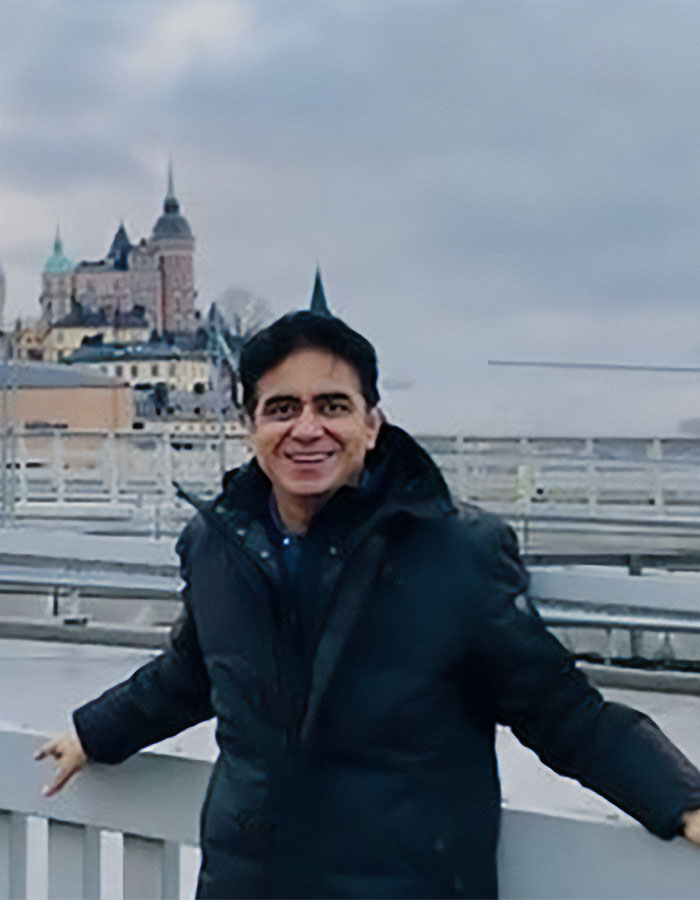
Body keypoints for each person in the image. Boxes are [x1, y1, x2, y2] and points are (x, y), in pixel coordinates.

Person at [37, 311, 700, 898]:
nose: (307, 429)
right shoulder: (217, 545)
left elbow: (560, 710)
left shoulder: (454, 552)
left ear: (372, 423)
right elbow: (193, 672)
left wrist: (680, 800)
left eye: (332, 406)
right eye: (281, 408)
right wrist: (95, 733)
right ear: (249, 428)